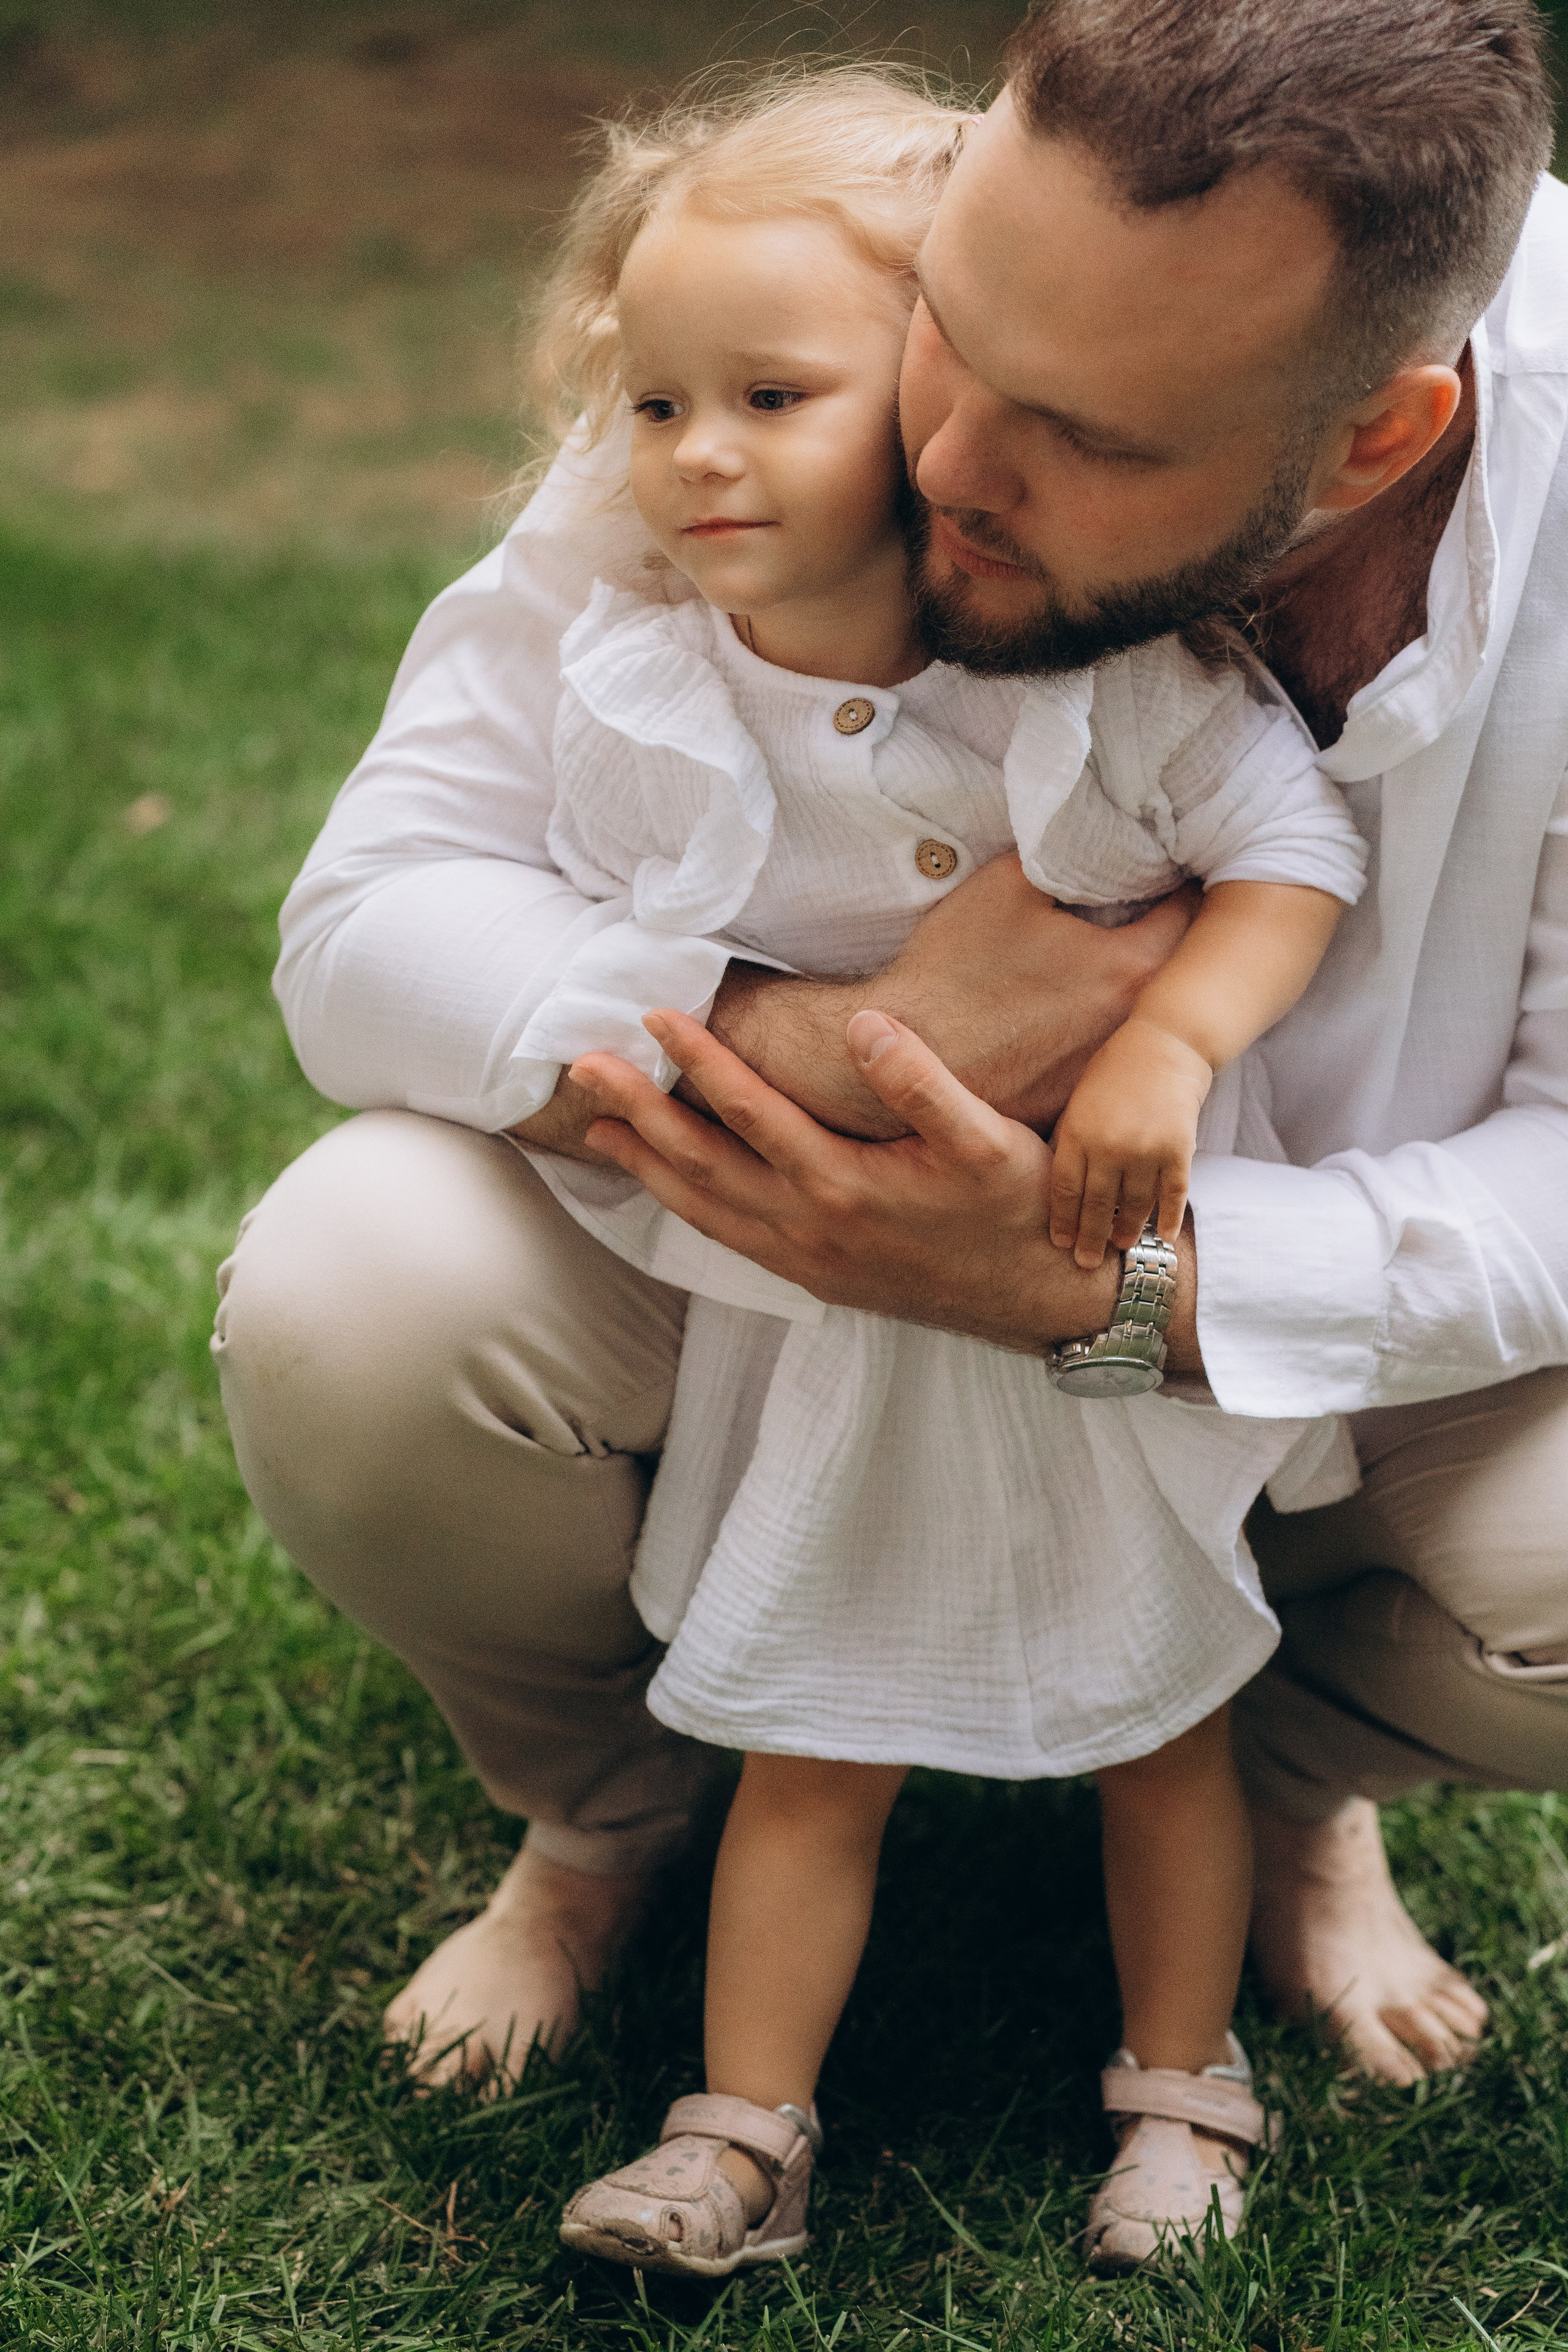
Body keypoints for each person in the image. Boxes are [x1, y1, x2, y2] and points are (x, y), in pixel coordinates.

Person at [214, 0, 1562, 2143]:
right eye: (951, 340)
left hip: (1245, 1325)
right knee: (350, 1298)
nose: (942, 465)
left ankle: (1292, 1787)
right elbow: (373, 920)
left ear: (1376, 443)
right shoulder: (827, 306)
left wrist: (1084, 1283)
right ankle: (612, 1807)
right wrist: (819, 1051)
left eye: (1088, 439)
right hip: (753, 1252)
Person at [495, 74, 1364, 2271]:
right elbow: (551, 939)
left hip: (1088, 1280)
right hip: (839, 1322)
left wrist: (1166, 1038)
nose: (697, 452)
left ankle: (1186, 2093)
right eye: (659, 401)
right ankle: (740, 2131)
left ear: (932, 390)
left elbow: (1293, 850)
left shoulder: (1110, 681)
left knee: (1167, 1710)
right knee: (815, 1720)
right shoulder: (643, 679)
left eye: (770, 396)